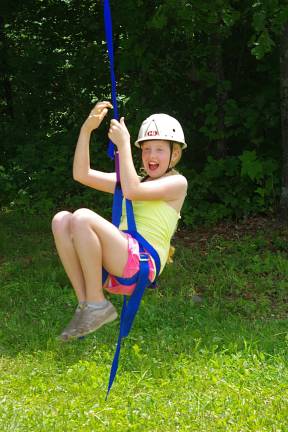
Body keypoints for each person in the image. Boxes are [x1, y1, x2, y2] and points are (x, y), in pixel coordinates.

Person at [52, 101, 188, 341]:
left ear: (174, 154)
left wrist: (124, 144)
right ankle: (86, 305)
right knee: (61, 220)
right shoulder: (132, 180)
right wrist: (87, 130)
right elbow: (81, 174)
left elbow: (133, 190)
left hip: (141, 263)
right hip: (120, 259)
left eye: (159, 149)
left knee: (83, 216)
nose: (151, 155)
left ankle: (97, 303)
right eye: (146, 149)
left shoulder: (177, 184)